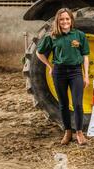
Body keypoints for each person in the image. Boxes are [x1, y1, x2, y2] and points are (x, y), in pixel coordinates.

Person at [36, 8, 90, 145]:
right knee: (63, 104)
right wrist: (49, 66)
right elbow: (39, 53)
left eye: (67, 19)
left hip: (76, 72)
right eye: (61, 19)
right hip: (59, 73)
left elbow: (85, 56)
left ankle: (79, 132)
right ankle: (67, 132)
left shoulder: (79, 35)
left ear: (71, 20)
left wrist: (86, 75)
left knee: (78, 104)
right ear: (58, 21)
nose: (64, 21)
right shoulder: (52, 37)